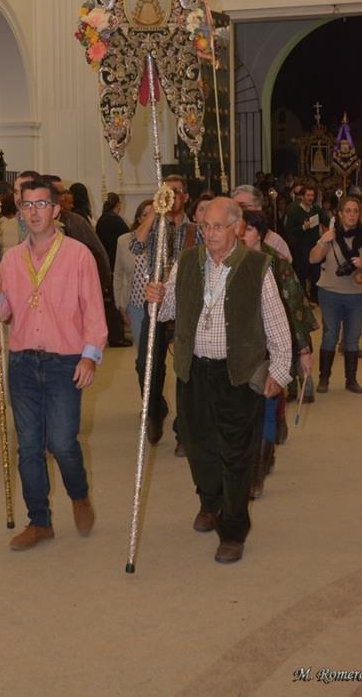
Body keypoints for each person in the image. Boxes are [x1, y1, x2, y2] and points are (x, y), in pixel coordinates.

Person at [146, 197, 292, 564]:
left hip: (237, 373)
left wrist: (279, 370)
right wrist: (156, 297)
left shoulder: (257, 266)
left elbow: (276, 322)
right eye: (205, 226)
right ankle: (210, 502)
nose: (209, 234)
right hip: (193, 370)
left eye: (217, 227)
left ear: (237, 228)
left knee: (236, 453)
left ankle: (233, 528)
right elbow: (166, 312)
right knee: (198, 445)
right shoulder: (187, 262)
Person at [0, 177, 107, 551]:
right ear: (19, 210)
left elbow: (94, 313)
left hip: (64, 362)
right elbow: (3, 314)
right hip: (22, 362)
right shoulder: (11, 258)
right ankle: (39, 521)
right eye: (27, 205)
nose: (33, 212)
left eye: (41, 204)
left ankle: (79, 494)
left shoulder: (78, 255)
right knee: (29, 447)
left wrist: (90, 357)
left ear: (55, 209)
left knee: (63, 442)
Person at [240, 209, 317, 498]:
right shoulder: (230, 260)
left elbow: (296, 307)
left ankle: (257, 472)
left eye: (247, 229)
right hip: (239, 347)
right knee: (244, 409)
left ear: (259, 234)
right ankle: (258, 456)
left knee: (267, 404)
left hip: (272, 346)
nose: (241, 234)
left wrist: (304, 350)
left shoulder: (277, 264)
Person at [130, 174, 197, 445]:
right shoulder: (156, 225)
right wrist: (154, 212)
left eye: (176, 191)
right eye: (166, 191)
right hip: (156, 302)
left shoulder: (195, 230)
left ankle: (184, 428)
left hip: (186, 305)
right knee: (147, 364)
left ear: (186, 197)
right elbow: (135, 245)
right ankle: (155, 411)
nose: (172, 196)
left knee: (186, 367)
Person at [43, 176, 131, 348]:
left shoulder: (75, 221)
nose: (62, 197)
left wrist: (102, 283)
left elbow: (97, 251)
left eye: (63, 193)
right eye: (58, 193)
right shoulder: (32, 226)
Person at [309, 195, 362, 394]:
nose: (352, 215)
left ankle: (351, 380)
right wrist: (323, 241)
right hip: (330, 294)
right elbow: (313, 259)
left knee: (352, 336)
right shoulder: (330, 236)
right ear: (340, 214)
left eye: (356, 211)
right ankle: (324, 378)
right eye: (348, 211)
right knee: (330, 336)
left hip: (359, 295)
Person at [113, 199, 153, 349]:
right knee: (141, 350)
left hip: (157, 305)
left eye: (152, 214)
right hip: (135, 304)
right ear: (139, 218)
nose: (149, 218)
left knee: (155, 350)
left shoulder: (162, 240)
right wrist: (120, 305)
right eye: (145, 215)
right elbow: (118, 274)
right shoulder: (124, 241)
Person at [284, 184, 330, 303]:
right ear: (302, 197)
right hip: (301, 246)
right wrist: (303, 227)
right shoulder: (294, 210)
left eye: (312, 195)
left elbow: (327, 221)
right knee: (302, 271)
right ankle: (303, 297)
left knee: (316, 271)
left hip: (315, 244)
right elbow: (288, 230)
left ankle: (315, 295)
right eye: (308, 195)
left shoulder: (316, 209)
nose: (310, 198)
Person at [231, 184, 292, 262]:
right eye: (233, 207)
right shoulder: (226, 237)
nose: (238, 212)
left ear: (258, 208)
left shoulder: (274, 241)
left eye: (243, 206)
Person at [96, 192, 130, 272]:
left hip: (105, 259)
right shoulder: (116, 220)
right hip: (115, 260)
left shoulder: (101, 219)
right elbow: (128, 239)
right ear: (118, 204)